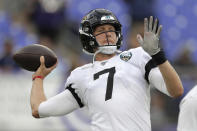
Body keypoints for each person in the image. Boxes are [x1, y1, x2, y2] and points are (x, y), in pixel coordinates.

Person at [30, 8, 183, 131]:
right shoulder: (81, 76)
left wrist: (158, 55)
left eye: (111, 29)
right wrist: (38, 78)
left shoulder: (137, 57)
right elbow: (39, 110)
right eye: (101, 30)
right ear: (89, 37)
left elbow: (176, 90)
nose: (108, 33)